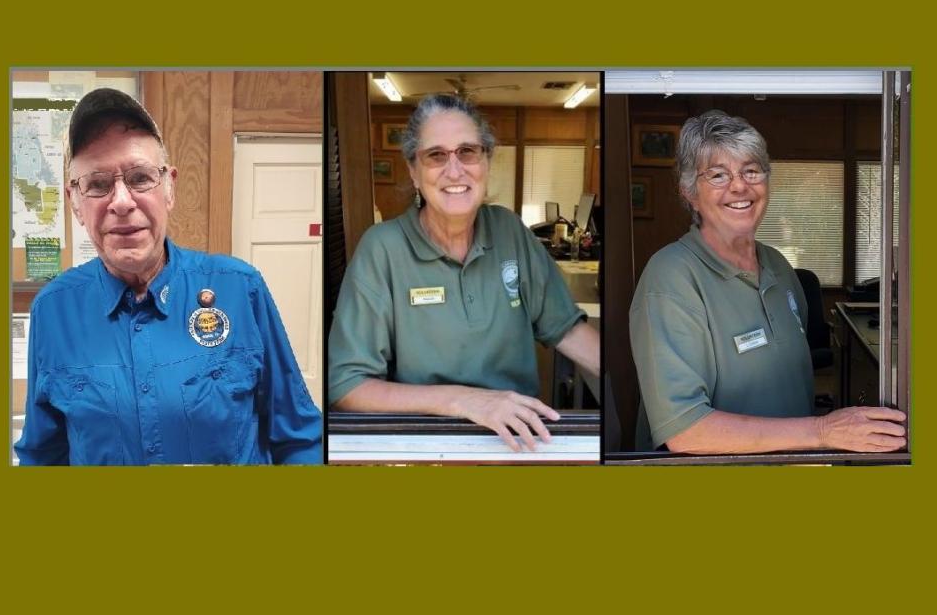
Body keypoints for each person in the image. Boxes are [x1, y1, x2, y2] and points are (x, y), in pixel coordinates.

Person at [15, 88, 322, 465]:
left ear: (169, 187)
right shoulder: (53, 310)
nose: (122, 202)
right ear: (76, 203)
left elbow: (300, 438)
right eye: (97, 185)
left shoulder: (241, 288)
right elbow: (42, 456)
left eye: (140, 178)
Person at [328, 94, 599, 452]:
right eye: (436, 155)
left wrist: (638, 382)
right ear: (413, 170)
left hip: (518, 442)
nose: (454, 171)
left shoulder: (510, 231)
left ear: (486, 161)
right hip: (424, 446)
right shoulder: (382, 249)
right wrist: (464, 401)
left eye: (468, 152)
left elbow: (567, 330)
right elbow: (347, 386)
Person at [630, 109, 906, 454]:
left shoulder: (778, 266)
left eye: (752, 170)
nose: (739, 185)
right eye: (717, 175)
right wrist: (824, 431)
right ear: (689, 192)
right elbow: (686, 432)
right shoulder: (671, 278)